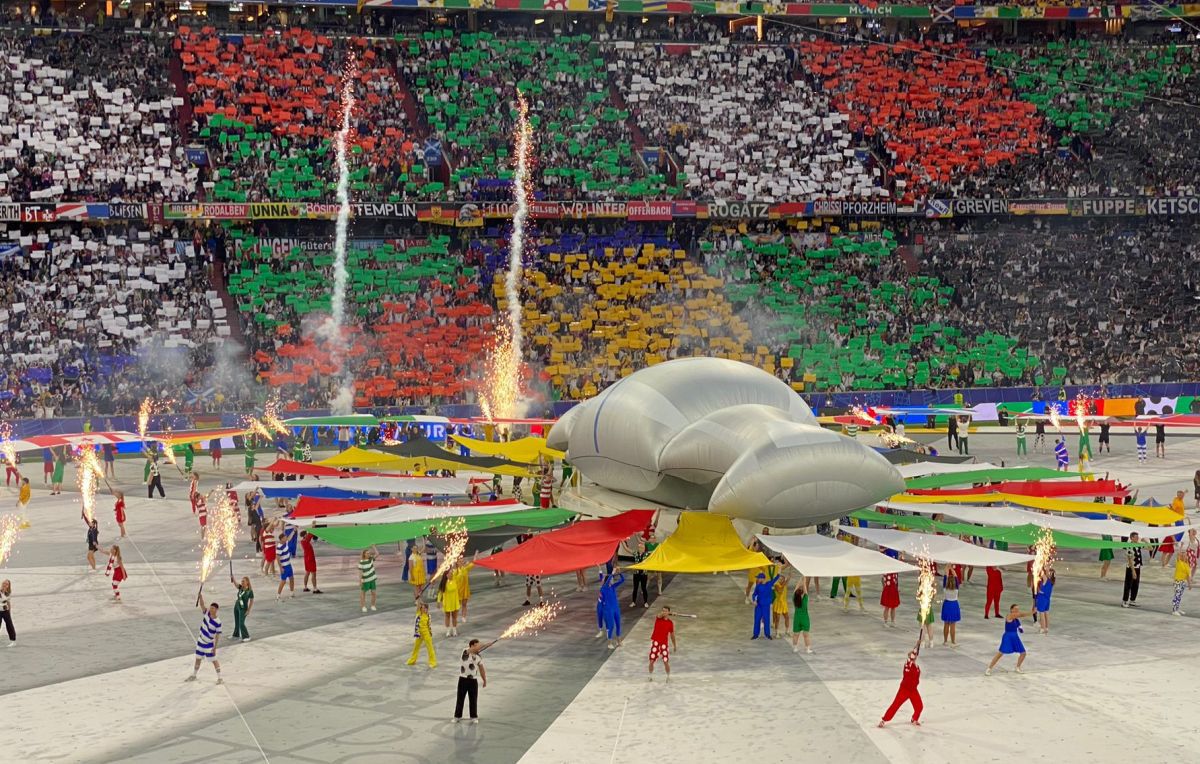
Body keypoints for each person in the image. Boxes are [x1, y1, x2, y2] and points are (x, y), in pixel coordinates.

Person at [880, 647, 925, 729]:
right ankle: (884, 720)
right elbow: (911, 660)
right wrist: (914, 651)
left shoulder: (916, 666)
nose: (914, 657)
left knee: (919, 706)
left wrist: (916, 649)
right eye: (912, 656)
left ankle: (914, 719)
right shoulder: (907, 664)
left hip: (913, 690)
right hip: (904, 690)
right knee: (895, 705)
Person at [185, 595, 223, 684]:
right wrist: (200, 597)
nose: (211, 609)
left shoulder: (218, 622)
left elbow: (217, 636)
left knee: (214, 660)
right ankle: (194, 675)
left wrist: (215, 648)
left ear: (216, 609)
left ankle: (220, 678)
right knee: (198, 658)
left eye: (213, 608)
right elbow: (202, 605)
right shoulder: (207, 613)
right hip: (200, 642)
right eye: (210, 608)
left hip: (209, 644)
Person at [985, 604, 1030, 676]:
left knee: (1023, 653)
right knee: (1000, 653)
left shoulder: (1016, 620)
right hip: (1008, 637)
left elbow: (1019, 627)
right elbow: (1021, 615)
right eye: (1015, 609)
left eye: (1018, 609)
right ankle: (989, 668)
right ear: (1011, 609)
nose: (1017, 610)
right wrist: (1031, 612)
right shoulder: (1009, 616)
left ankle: (1017, 667)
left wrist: (1020, 628)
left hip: (1015, 637)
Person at [453, 639, 486, 724]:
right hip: (463, 679)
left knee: (473, 699)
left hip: (473, 681)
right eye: (477, 645)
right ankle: (457, 716)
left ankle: (473, 717)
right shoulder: (465, 651)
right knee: (460, 698)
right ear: (472, 645)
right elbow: (471, 650)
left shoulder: (478, 657)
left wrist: (484, 680)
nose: (479, 647)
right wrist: (485, 645)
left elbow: (482, 669)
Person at [648, 605, 677, 682]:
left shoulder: (670, 623)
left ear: (668, 612)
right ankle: (650, 676)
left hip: (664, 643)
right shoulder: (658, 618)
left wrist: (674, 645)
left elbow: (672, 635)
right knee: (651, 660)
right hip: (656, 642)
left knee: (665, 661)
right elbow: (660, 614)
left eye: (665, 611)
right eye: (663, 610)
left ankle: (668, 677)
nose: (663, 612)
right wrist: (670, 613)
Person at [751, 569, 781, 639]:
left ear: (762, 579)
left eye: (758, 578)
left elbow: (777, 577)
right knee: (757, 620)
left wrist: (779, 569)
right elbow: (754, 594)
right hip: (758, 606)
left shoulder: (769, 584)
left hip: (766, 606)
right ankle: (755, 634)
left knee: (766, 620)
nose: (758, 579)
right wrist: (754, 600)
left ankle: (767, 634)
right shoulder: (758, 586)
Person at [599, 569, 625, 649]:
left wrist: (620, 573)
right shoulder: (603, 588)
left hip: (616, 608)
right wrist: (612, 573)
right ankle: (609, 643)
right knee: (611, 626)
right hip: (608, 610)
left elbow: (622, 580)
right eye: (611, 579)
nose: (612, 580)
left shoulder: (613, 587)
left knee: (618, 624)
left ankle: (619, 641)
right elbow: (607, 581)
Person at [407, 601, 437, 668]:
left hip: (426, 633)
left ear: (427, 609)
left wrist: (430, 633)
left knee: (430, 648)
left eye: (425, 608)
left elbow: (429, 625)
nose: (424, 609)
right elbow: (418, 604)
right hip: (419, 634)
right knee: (416, 647)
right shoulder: (418, 614)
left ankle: (433, 662)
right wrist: (419, 599)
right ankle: (412, 660)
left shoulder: (428, 616)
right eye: (422, 608)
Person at [438, 569, 462, 637]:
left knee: (454, 617)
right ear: (446, 575)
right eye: (450, 573)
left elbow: (460, 574)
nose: (451, 574)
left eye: (452, 573)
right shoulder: (444, 583)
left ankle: (454, 631)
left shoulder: (455, 580)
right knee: (447, 616)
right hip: (447, 602)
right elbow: (440, 593)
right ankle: (448, 631)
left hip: (454, 602)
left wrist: (458, 567)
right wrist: (438, 601)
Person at [792, 578, 812, 653]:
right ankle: (807, 649)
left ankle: (795, 648)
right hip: (804, 618)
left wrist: (800, 580)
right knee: (806, 635)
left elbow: (795, 590)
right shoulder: (805, 600)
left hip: (797, 618)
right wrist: (804, 581)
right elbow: (805, 590)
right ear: (802, 594)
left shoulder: (794, 599)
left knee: (796, 634)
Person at [939, 574, 960, 646]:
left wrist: (947, 570)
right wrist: (953, 570)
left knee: (946, 624)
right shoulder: (956, 589)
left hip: (947, 605)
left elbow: (945, 578)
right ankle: (953, 641)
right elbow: (956, 578)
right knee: (953, 625)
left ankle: (945, 641)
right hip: (954, 605)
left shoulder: (945, 589)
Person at [1122, 534, 1142, 608]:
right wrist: (1133, 571)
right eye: (1136, 537)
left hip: (1138, 567)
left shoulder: (1138, 545)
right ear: (1131, 538)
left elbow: (1150, 548)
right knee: (1128, 585)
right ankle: (1124, 601)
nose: (1137, 538)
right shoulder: (1130, 547)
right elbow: (1130, 560)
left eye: (1138, 537)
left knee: (1135, 585)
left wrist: (1146, 541)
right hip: (1131, 568)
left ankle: (1132, 600)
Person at [231, 576, 254, 641]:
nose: (242, 582)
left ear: (247, 582)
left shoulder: (249, 591)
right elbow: (236, 584)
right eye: (241, 581)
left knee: (241, 623)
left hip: (243, 608)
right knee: (237, 622)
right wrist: (233, 578)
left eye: (243, 581)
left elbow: (251, 601)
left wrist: (248, 610)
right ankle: (236, 635)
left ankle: (246, 636)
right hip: (237, 606)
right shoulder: (241, 587)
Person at [275, 529, 295, 601]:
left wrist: (294, 531)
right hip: (284, 566)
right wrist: (281, 568)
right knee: (283, 581)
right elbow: (277, 558)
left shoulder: (285, 542)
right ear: (282, 539)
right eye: (285, 537)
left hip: (289, 565)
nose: (286, 538)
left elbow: (289, 537)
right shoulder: (279, 547)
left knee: (291, 578)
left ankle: (292, 593)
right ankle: (278, 595)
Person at [630, 539, 650, 608]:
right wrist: (623, 542)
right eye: (639, 547)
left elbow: (655, 552)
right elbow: (627, 549)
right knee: (635, 588)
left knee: (644, 588)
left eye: (642, 547)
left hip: (644, 574)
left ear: (644, 548)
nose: (640, 548)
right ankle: (633, 602)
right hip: (636, 574)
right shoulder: (635, 553)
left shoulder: (647, 554)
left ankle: (645, 602)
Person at [359, 546, 378, 613]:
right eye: (367, 553)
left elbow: (377, 554)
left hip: (372, 579)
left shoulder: (371, 559)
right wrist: (360, 581)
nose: (368, 554)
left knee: (374, 593)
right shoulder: (361, 562)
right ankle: (363, 606)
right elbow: (360, 572)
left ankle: (373, 605)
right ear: (364, 554)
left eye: (369, 553)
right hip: (365, 580)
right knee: (363, 593)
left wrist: (373, 547)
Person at [1034, 569, 1054, 633]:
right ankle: (1046, 628)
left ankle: (1042, 628)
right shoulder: (1051, 581)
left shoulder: (1046, 579)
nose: (1046, 573)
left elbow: (1042, 572)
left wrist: (1040, 567)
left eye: (1048, 572)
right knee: (1046, 613)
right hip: (1047, 599)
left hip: (1042, 599)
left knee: (1041, 614)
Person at [0, 579, 13, 646]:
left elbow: (8, 603)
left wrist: (9, 612)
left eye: (6, 584)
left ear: (8, 586)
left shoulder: (8, 593)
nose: (5, 585)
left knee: (9, 625)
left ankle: (13, 640)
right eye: (4, 583)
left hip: (5, 611)